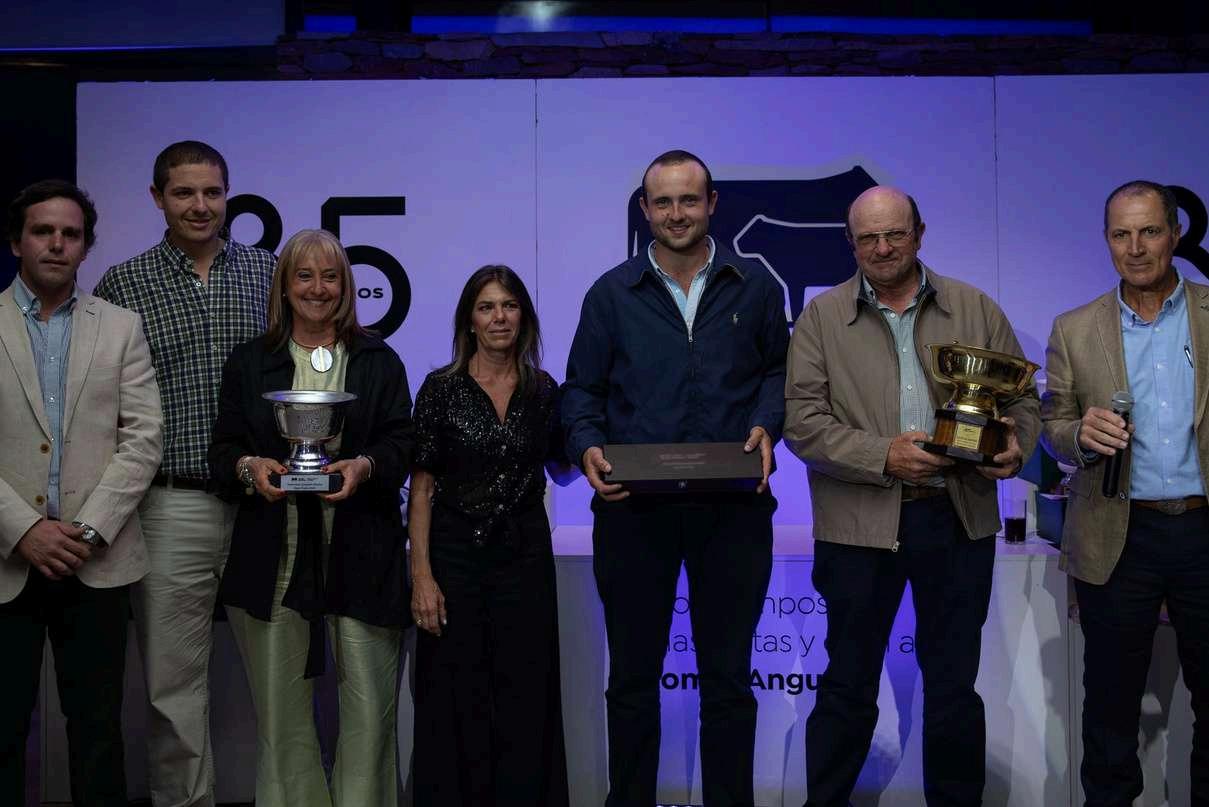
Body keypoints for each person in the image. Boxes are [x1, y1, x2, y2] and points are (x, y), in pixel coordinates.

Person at [783, 185, 1040, 807]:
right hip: (858, 527)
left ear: (919, 234)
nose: (882, 248)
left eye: (894, 234)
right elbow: (802, 423)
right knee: (846, 686)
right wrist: (883, 456)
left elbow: (1025, 402)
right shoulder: (820, 318)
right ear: (850, 244)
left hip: (956, 519)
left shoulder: (975, 307)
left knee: (953, 690)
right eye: (868, 238)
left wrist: (1014, 445)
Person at [562, 149, 788, 807]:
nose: (676, 213)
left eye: (689, 199)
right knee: (632, 680)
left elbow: (779, 372)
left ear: (712, 203)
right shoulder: (610, 293)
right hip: (632, 510)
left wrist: (767, 423)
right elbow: (581, 391)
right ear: (644, 209)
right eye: (662, 201)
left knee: (728, 680)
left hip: (733, 509)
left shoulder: (756, 285)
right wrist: (586, 448)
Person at [92, 140, 275, 807]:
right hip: (171, 504)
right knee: (173, 685)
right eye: (184, 193)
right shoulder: (123, 284)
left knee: (281, 676)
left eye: (212, 192)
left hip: (264, 500)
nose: (200, 206)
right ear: (157, 198)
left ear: (228, 195)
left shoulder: (268, 273)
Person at [208, 228, 413, 807]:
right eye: (304, 276)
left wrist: (364, 467)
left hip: (364, 552)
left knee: (371, 709)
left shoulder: (377, 359)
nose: (317, 288)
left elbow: (403, 441)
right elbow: (222, 449)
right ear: (284, 285)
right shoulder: (251, 362)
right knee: (281, 717)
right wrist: (251, 467)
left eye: (330, 277)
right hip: (273, 554)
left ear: (346, 286)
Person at [1041, 179, 1209, 807]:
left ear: (1176, 234)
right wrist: (1078, 435)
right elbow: (1052, 426)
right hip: (1118, 535)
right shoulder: (1074, 328)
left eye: (1149, 231)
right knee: (1110, 710)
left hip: (1203, 530)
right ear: (1107, 240)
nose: (1135, 248)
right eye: (1121, 234)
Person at [0, 180, 163, 806]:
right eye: (43, 231)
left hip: (96, 560)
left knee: (98, 733)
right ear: (16, 241)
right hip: (6, 560)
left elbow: (143, 438)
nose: (57, 244)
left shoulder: (121, 327)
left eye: (70, 234)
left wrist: (88, 530)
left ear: (86, 247)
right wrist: (23, 529)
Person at [409, 264, 572, 807]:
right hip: (455, 562)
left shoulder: (543, 391)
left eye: (509, 305)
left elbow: (564, 468)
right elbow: (421, 489)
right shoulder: (440, 389)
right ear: (469, 321)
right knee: (454, 700)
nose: (499, 317)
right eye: (486, 307)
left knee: (527, 698)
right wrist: (421, 576)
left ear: (523, 316)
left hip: (525, 560)